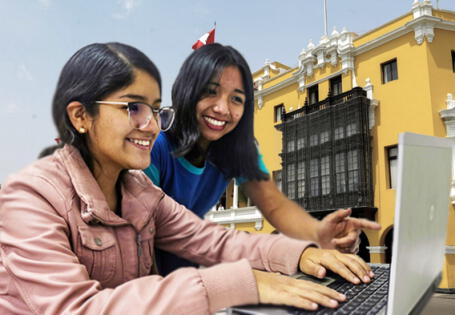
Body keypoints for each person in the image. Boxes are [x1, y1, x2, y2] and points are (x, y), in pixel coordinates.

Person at [0, 42, 375, 314]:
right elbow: (78, 309)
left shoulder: (140, 192)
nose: (149, 125)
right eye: (132, 107)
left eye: (153, 109)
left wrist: (302, 253)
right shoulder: (28, 199)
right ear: (81, 116)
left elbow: (215, 241)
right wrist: (242, 283)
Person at [144, 43, 381, 275]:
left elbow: (275, 204)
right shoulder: (155, 145)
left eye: (236, 99)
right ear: (188, 90)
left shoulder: (235, 149)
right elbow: (153, 231)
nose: (223, 109)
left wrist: (319, 232)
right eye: (210, 91)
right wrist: (290, 257)